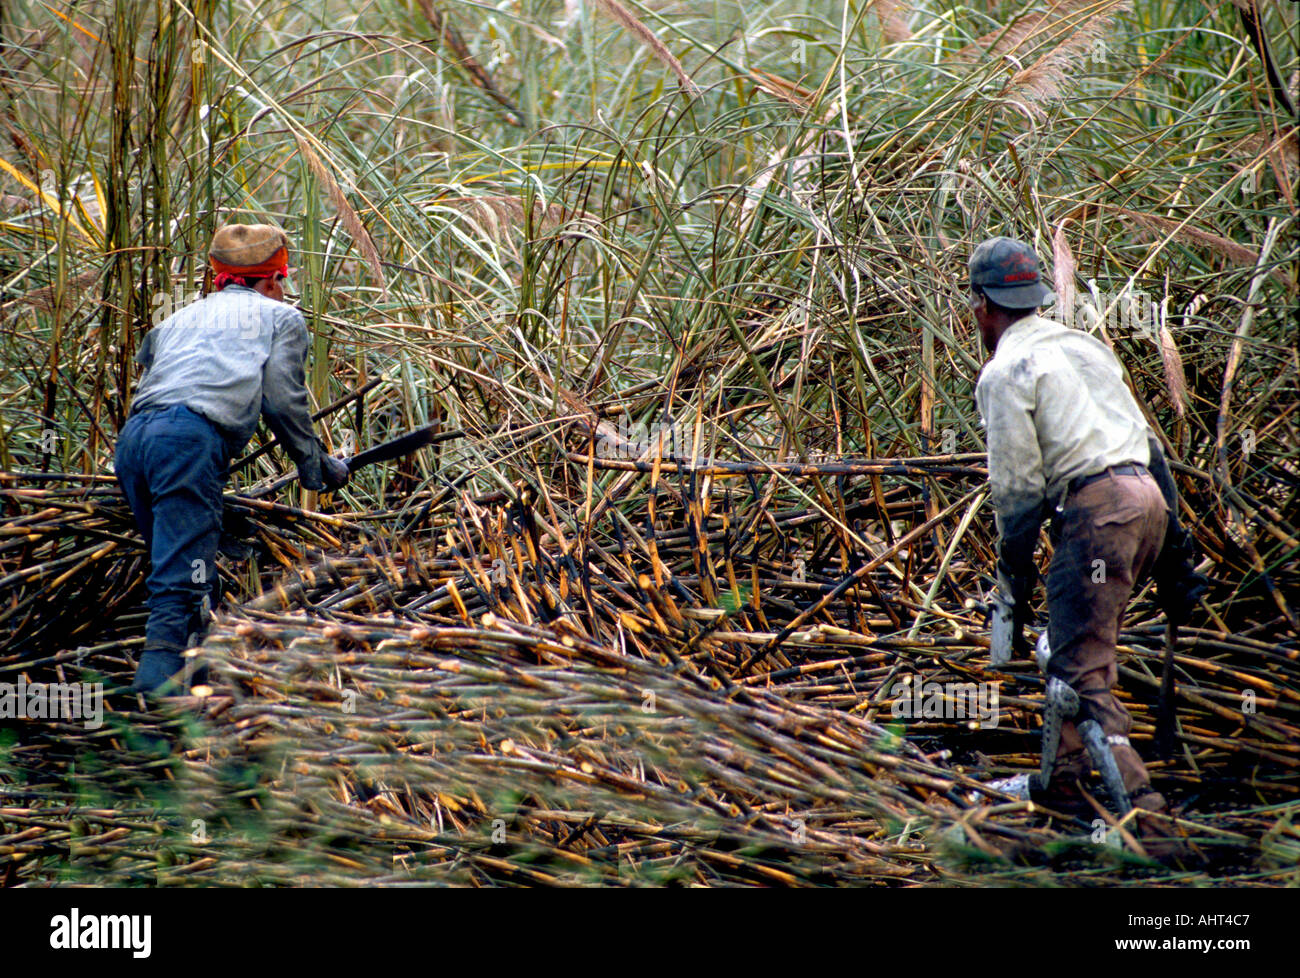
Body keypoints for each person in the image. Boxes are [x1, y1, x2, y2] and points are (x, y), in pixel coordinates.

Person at [969, 235, 1202, 825]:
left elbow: (1018, 493)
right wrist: (1175, 552)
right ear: (1037, 297)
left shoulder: (1006, 372)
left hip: (1099, 515)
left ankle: (1144, 811)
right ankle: (1064, 783)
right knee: (1080, 644)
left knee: (1078, 671)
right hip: (1147, 504)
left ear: (982, 306)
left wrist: (1012, 581)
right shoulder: (1085, 348)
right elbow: (1151, 450)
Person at [115, 223, 349, 695]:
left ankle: (197, 688)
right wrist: (312, 466)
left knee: (187, 572)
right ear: (271, 281)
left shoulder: (175, 320)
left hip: (135, 443)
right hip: (187, 443)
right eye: (282, 282)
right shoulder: (279, 318)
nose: (283, 291)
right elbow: (284, 401)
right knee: (180, 586)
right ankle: (156, 706)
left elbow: (154, 371)